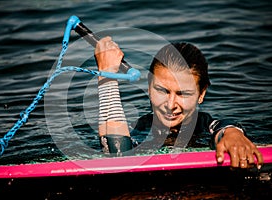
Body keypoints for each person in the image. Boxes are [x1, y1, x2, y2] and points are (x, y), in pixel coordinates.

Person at [94, 36, 263, 169]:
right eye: (162, 91)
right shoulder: (138, 129)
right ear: (149, 87)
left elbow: (222, 129)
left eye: (183, 94)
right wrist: (107, 76)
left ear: (201, 94)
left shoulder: (208, 126)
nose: (171, 104)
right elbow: (117, 154)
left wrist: (234, 134)